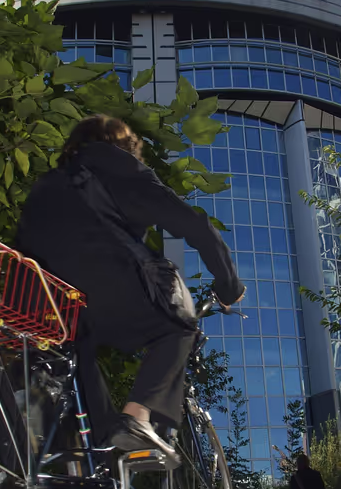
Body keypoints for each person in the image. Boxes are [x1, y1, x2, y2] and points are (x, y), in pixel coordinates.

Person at [15, 114, 245, 458]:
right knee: (180, 325)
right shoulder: (120, 168)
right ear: (124, 146)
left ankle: (99, 462)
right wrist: (228, 284)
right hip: (106, 284)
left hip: (42, 301)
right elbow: (192, 224)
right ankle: (137, 416)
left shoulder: (48, 183)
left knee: (79, 358)